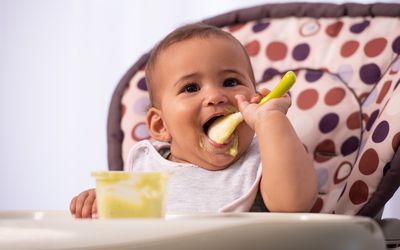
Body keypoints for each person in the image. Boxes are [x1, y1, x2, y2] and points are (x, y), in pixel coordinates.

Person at [70, 23, 318, 218]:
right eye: (190, 87)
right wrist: (104, 204)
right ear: (160, 125)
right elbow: (129, 233)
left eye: (230, 82)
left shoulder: (271, 154)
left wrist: (271, 120)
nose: (215, 96)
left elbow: (292, 203)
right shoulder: (149, 172)